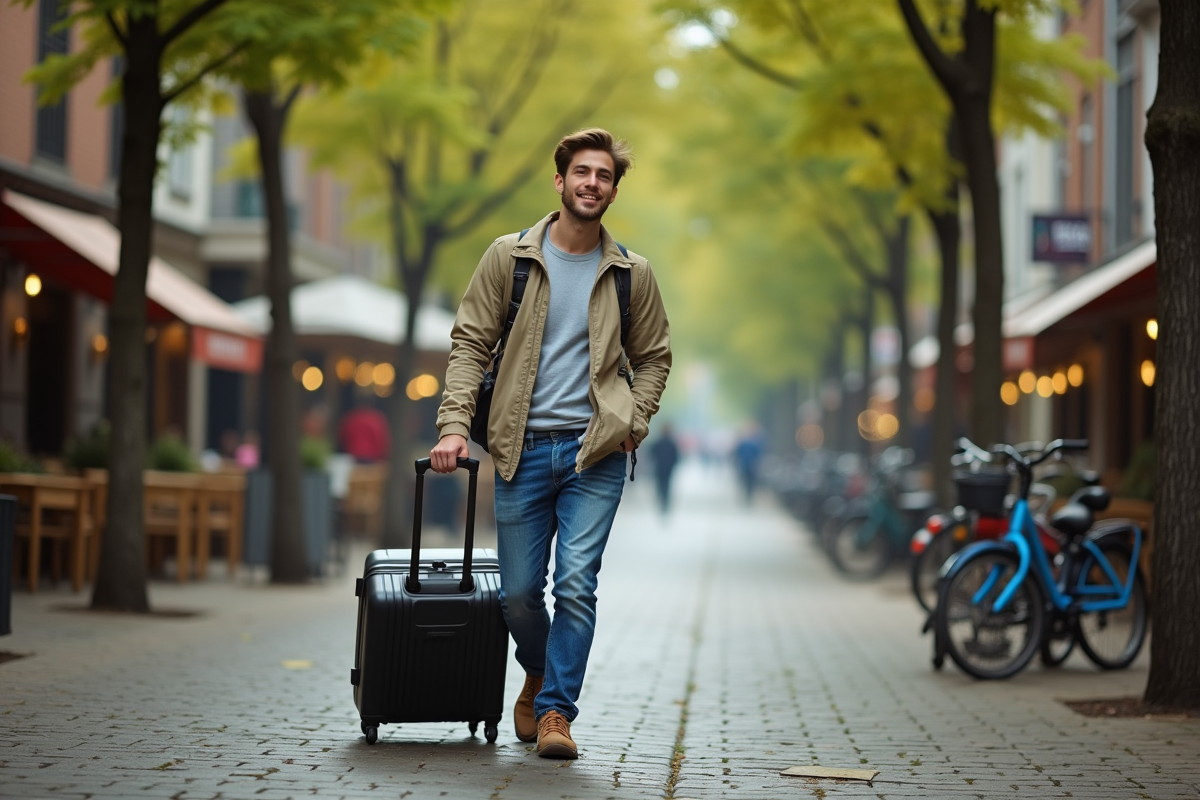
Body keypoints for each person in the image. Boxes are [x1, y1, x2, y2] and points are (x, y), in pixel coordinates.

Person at [430, 128, 671, 759]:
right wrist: (454, 426)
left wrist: (633, 421)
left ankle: (558, 712)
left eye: (605, 176)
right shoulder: (508, 258)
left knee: (576, 585)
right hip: (520, 450)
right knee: (517, 595)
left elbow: (654, 358)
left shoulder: (631, 274)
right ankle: (537, 673)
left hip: (596, 455)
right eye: (582, 173)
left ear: (614, 190)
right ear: (560, 181)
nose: (593, 183)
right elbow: (469, 345)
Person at [649, 423, 681, 515]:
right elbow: (676, 457)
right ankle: (665, 502)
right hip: (668, 469)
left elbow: (651, 453)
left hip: (659, 468)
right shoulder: (672, 443)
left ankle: (661, 500)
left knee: (659, 485)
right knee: (667, 485)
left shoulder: (657, 442)